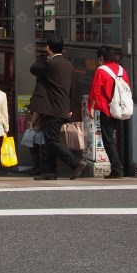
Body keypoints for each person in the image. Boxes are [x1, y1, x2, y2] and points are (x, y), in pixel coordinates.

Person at [30, 34, 86, 181]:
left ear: (48, 48)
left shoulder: (49, 64)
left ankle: (75, 163)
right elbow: (72, 88)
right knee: (51, 139)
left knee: (51, 139)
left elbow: (33, 69)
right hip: (63, 107)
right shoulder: (68, 64)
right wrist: (70, 106)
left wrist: (43, 57)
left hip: (52, 107)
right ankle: (50, 171)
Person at [88, 45, 129, 178]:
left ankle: (117, 169)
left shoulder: (101, 70)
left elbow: (95, 91)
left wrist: (91, 108)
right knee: (115, 139)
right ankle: (119, 167)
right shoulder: (121, 70)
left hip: (107, 109)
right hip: (121, 108)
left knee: (108, 140)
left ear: (102, 57)